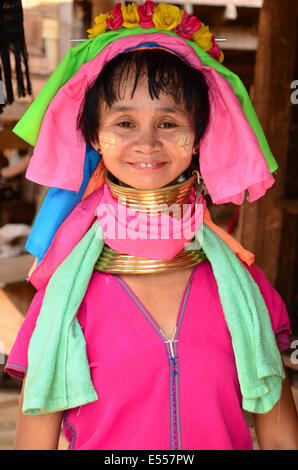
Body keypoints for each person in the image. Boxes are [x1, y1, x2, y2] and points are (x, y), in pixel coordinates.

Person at [5, 1, 298, 450]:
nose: (146, 142)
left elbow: (282, 443)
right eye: (124, 122)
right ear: (93, 137)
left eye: (168, 122)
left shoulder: (245, 288)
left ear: (199, 137)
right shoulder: (63, 302)